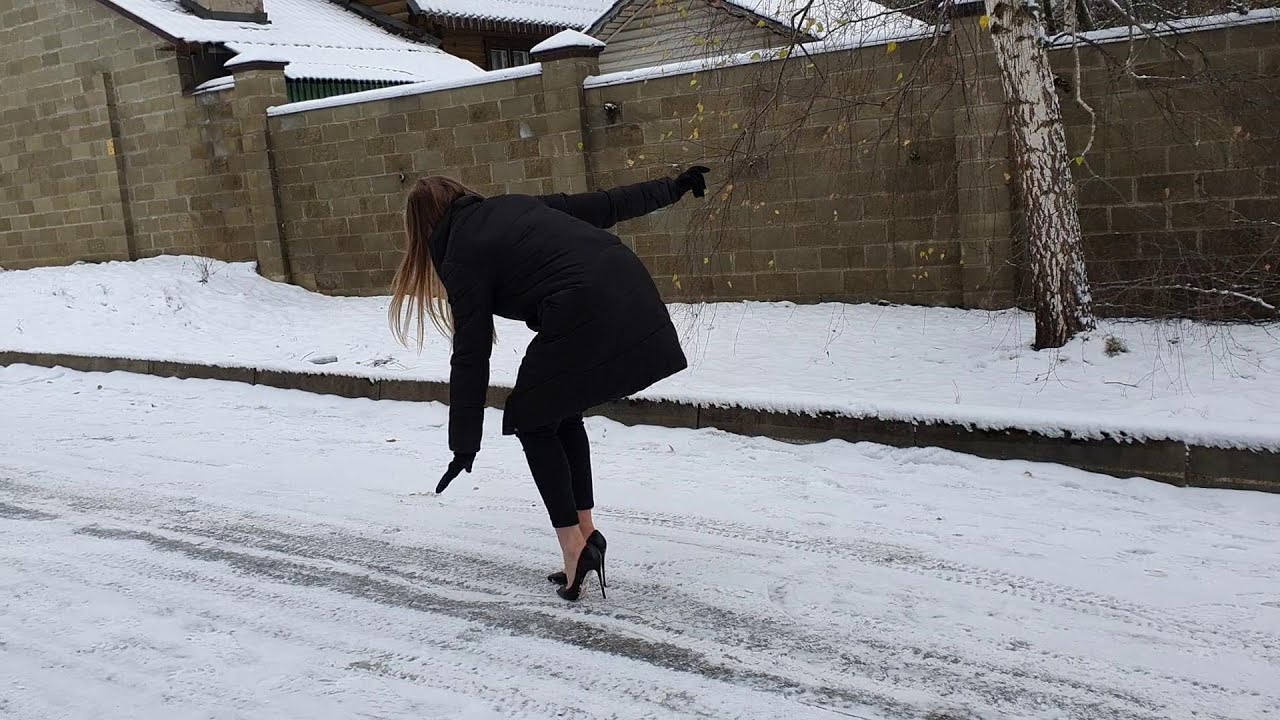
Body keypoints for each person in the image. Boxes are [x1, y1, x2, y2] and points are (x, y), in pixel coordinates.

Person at [389, 166, 710, 601]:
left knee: (532, 419)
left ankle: (574, 547)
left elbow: (471, 355)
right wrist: (673, 187)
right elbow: (604, 205)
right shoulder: (516, 206)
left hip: (582, 303)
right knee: (558, 410)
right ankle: (586, 533)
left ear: (422, 227)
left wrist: (463, 445)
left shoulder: (460, 254)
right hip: (627, 282)